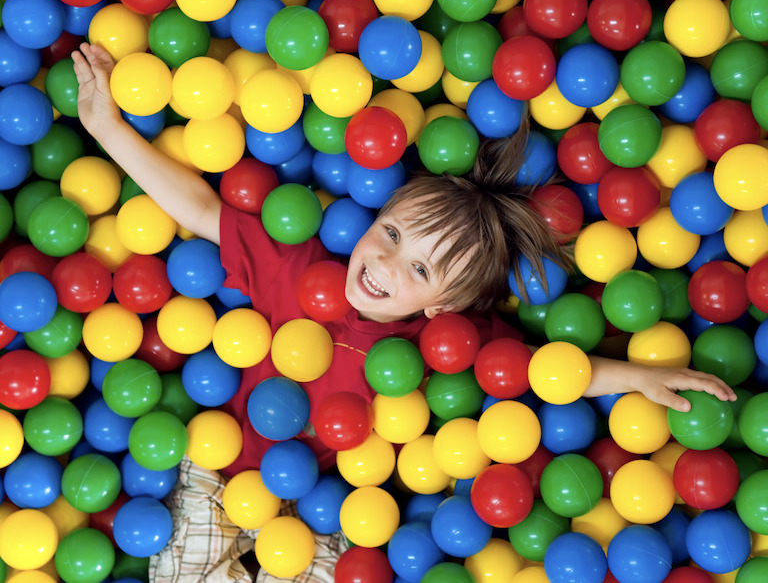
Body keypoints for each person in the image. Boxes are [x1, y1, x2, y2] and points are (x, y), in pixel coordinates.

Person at [72, 42, 736, 582]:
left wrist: (638, 376)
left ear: (444, 303)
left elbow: (546, 372)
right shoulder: (304, 274)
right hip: (224, 474)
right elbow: (202, 210)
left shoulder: (447, 345)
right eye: (390, 234)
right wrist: (108, 127)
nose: (385, 264)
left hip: (329, 512)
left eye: (419, 269)